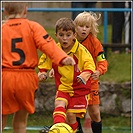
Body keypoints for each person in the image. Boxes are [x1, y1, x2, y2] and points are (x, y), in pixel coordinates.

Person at [2, 2, 76, 133]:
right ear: (25, 10)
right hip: (26, 77)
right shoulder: (33, 27)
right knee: (21, 119)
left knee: (2, 116)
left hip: (5, 76)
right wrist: (63, 58)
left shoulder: (2, 29)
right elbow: (48, 45)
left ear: (5, 12)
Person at [38, 17, 95, 133]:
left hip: (79, 89)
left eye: (68, 35)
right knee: (59, 103)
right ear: (56, 35)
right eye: (61, 35)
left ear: (74, 35)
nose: (64, 38)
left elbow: (90, 64)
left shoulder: (81, 51)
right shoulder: (54, 49)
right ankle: (57, 129)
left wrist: (85, 74)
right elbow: (45, 59)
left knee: (70, 115)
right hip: (63, 87)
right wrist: (42, 72)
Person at [74, 11, 108, 133]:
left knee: (94, 112)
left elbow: (102, 61)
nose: (84, 29)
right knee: (73, 113)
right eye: (81, 26)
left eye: (87, 27)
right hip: (74, 82)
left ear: (91, 28)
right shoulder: (70, 40)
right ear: (75, 27)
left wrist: (99, 71)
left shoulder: (95, 43)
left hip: (91, 82)